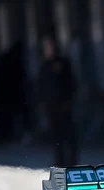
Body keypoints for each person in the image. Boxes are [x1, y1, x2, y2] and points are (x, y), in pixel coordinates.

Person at [35, 34, 78, 167]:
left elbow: (71, 83)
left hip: (64, 106)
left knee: (69, 135)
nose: (49, 50)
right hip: (51, 107)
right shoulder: (45, 66)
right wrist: (42, 103)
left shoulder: (64, 63)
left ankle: (71, 162)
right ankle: (60, 162)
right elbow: (41, 87)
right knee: (56, 137)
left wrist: (68, 101)